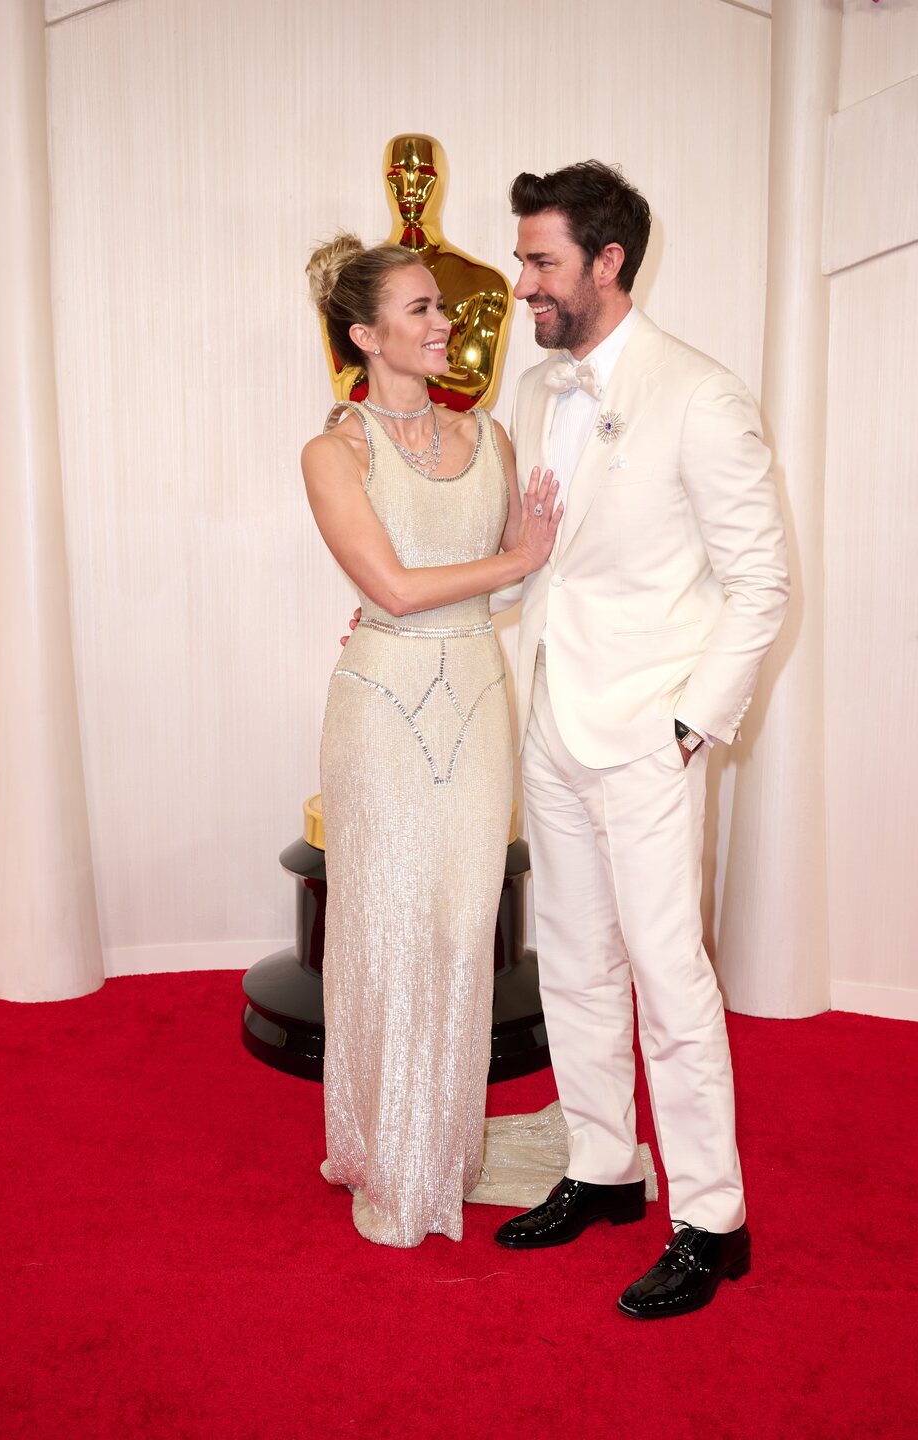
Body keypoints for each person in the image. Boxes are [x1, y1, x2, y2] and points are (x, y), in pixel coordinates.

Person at [492, 161, 790, 1318]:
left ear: (607, 262)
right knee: (569, 957)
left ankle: (713, 1219)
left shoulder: (702, 395)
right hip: (555, 719)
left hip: (650, 735)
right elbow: (537, 559)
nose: (524, 283)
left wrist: (687, 726)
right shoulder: (535, 390)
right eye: (524, 259)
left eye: (541, 260)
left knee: (670, 978)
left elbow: (760, 583)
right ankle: (604, 1165)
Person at [301, 234, 561, 1248]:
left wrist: (526, 560)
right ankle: (382, 1146)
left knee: (459, 933)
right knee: (384, 926)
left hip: (477, 703)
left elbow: (514, 577)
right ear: (367, 335)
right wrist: (515, 561)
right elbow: (397, 592)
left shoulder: (491, 438)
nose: (443, 321)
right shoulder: (335, 451)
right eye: (418, 309)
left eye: (440, 308)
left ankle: (443, 1145)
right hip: (382, 709)